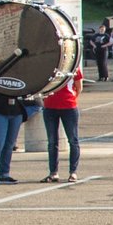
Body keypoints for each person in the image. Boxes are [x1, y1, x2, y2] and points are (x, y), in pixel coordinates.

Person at [42, 51, 82, 180]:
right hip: (50, 106)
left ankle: (73, 172)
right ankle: (53, 172)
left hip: (69, 106)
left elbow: (78, 86)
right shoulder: (48, 66)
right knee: (52, 141)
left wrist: (72, 98)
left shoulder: (73, 66)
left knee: (73, 140)